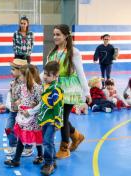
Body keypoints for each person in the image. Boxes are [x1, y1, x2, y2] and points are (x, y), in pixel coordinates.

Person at [48, 24, 92, 159]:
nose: (55, 37)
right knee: (60, 117)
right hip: (56, 89)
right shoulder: (52, 53)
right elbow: (47, 71)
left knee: (62, 118)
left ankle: (64, 147)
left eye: (58, 34)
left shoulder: (74, 52)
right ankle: (77, 136)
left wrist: (87, 92)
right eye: (54, 34)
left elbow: (81, 73)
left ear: (66, 36)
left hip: (70, 89)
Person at [4, 64, 42, 167]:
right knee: (21, 136)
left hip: (32, 117)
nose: (19, 77)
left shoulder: (37, 88)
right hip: (22, 116)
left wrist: (30, 110)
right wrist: (19, 102)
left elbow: (40, 102)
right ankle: (16, 159)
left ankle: (40, 155)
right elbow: (23, 97)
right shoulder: (22, 86)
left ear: (27, 76)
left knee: (37, 136)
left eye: (21, 75)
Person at [5, 58, 27, 156]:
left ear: (20, 70)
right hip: (13, 110)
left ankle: (28, 147)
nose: (11, 71)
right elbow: (11, 94)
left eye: (13, 69)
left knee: (25, 129)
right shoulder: (14, 82)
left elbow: (28, 96)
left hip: (23, 112)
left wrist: (21, 102)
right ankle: (13, 145)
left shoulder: (26, 82)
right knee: (8, 128)